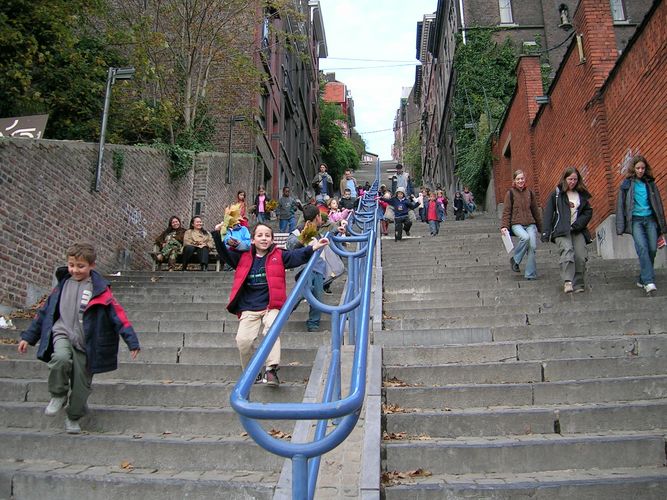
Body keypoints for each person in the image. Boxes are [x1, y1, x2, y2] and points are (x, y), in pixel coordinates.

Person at [17, 242, 140, 434]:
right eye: (71, 265)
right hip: (62, 333)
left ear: (92, 266)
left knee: (82, 386)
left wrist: (132, 341)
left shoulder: (99, 290)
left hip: (87, 343)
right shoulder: (61, 286)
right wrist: (28, 337)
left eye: (80, 266)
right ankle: (58, 394)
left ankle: (73, 416)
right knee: (60, 359)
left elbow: (119, 317)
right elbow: (44, 314)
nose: (75, 270)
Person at [212, 223, 329, 386]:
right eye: (259, 235)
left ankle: (271, 370)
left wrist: (314, 247)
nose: (264, 238)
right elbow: (224, 253)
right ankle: (251, 372)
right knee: (243, 340)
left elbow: (297, 255)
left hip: (271, 304)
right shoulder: (243, 257)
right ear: (252, 240)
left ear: (273, 240)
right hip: (248, 306)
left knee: (271, 329)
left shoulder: (278, 255)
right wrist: (217, 235)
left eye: (267, 235)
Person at [286, 205, 345, 330]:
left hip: (318, 267)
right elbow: (290, 246)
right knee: (301, 292)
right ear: (317, 217)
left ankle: (313, 323)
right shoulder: (298, 231)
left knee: (318, 296)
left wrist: (336, 229)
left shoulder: (318, 232)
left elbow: (326, 236)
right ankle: (283, 313)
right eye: (319, 216)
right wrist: (302, 239)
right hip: (304, 268)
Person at [615, 155, 666, 294]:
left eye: (643, 168)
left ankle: (643, 278)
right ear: (633, 169)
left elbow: (658, 204)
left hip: (650, 219)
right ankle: (649, 281)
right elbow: (620, 205)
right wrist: (620, 226)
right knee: (642, 248)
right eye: (638, 168)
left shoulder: (650, 183)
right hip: (635, 220)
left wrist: (662, 224)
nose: (640, 170)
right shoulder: (626, 184)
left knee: (652, 249)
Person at [541, 167, 593, 293]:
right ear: (565, 179)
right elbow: (548, 213)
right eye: (570, 179)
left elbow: (588, 212)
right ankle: (568, 281)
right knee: (567, 250)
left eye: (575, 179)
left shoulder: (581, 194)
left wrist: (578, 225)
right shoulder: (558, 193)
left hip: (577, 230)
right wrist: (545, 232)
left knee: (580, 255)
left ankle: (578, 283)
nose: (572, 182)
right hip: (561, 230)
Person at [501, 170, 542, 280]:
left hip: (530, 223)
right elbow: (506, 211)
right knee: (525, 238)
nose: (520, 181)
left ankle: (530, 274)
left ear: (525, 179)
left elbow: (535, 211)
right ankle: (515, 259)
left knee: (532, 246)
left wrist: (542, 228)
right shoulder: (510, 193)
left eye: (522, 178)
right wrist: (504, 226)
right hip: (516, 224)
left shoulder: (530, 193)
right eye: (518, 179)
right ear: (514, 180)